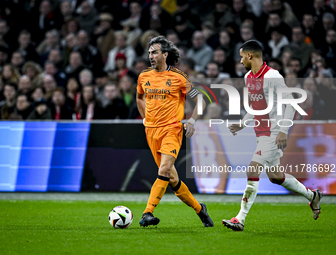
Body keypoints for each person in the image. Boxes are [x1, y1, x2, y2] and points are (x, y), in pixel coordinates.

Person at [222, 40, 323, 231]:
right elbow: (256, 106)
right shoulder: (248, 77)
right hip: (260, 133)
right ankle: (313, 196)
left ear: (250, 55)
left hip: (274, 132)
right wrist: (243, 124)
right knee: (276, 176)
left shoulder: (273, 76)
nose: (241, 60)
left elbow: (291, 104)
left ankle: (240, 218)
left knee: (252, 170)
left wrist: (283, 131)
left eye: (242, 56)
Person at [136, 36, 213, 227]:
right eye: (149, 53)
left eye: (154, 52)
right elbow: (139, 98)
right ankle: (199, 209)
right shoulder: (143, 76)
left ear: (165, 54)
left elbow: (201, 101)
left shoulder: (179, 78)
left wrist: (192, 121)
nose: (150, 56)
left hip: (172, 130)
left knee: (163, 169)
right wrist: (145, 118)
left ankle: (147, 212)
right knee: (172, 178)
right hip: (151, 132)